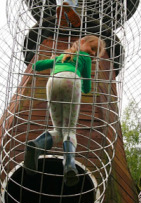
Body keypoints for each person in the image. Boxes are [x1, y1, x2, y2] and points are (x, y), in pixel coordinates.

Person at [24, 35, 106, 187]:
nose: (93, 54)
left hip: (52, 82)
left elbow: (36, 66)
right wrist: (84, 89)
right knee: (70, 130)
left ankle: (36, 145)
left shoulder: (61, 57)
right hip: (71, 81)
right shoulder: (85, 58)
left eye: (96, 52)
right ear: (82, 42)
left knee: (59, 130)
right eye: (92, 48)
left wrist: (53, 59)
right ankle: (69, 165)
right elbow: (87, 84)